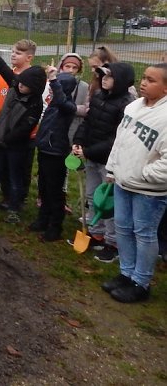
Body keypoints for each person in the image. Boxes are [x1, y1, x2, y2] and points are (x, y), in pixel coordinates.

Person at [101, 63, 167, 303]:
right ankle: (126, 273)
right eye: (144, 78)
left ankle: (141, 281)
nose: (143, 83)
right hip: (122, 182)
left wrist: (144, 174)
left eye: (151, 80)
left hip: (148, 190)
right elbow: (119, 142)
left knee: (144, 233)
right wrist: (112, 168)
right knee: (123, 228)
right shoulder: (133, 107)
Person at [0, 34, 47, 222]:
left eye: (24, 84)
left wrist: (8, 138)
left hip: (16, 145)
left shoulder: (35, 103)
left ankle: (14, 208)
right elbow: (3, 68)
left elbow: (25, 128)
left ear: (34, 87)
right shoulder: (17, 85)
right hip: (1, 139)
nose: (19, 85)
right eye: (19, 82)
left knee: (16, 176)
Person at [71, 62, 135, 261]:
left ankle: (113, 242)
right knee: (92, 197)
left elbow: (116, 138)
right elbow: (88, 122)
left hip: (110, 163)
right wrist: (78, 142)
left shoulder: (127, 105)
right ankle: (95, 233)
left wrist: (88, 151)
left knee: (108, 204)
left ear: (121, 80)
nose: (104, 79)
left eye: (109, 76)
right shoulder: (99, 97)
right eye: (102, 76)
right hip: (90, 156)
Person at [30, 66, 79, 241]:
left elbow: (60, 99)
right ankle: (43, 219)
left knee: (54, 191)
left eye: (57, 85)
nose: (51, 87)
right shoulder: (54, 104)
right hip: (44, 149)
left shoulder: (68, 106)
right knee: (43, 188)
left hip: (56, 153)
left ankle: (55, 227)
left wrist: (53, 80)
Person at [59, 53, 89, 141]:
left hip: (73, 127)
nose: (70, 70)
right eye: (67, 66)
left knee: (71, 153)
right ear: (61, 67)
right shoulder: (53, 84)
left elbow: (86, 108)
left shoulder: (84, 87)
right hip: (54, 127)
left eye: (74, 67)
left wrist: (72, 108)